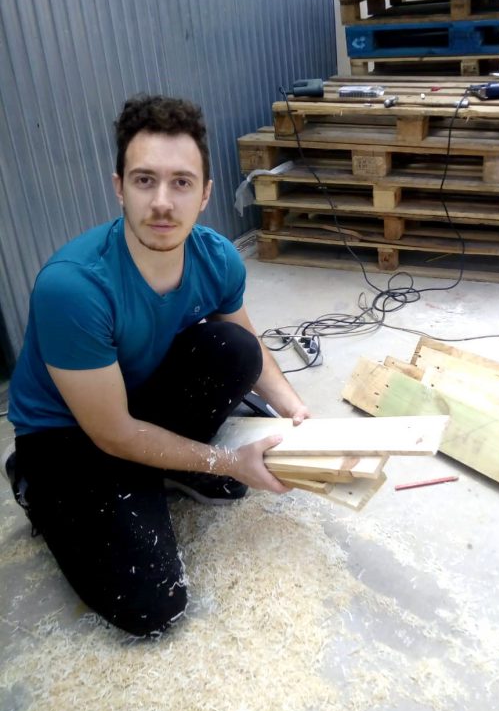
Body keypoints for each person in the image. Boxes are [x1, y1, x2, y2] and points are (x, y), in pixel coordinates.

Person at [4, 94, 310, 637]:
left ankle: (167, 469)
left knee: (235, 349)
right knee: (152, 604)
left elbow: (247, 341)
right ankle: (40, 487)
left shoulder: (216, 257)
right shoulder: (73, 287)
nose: (163, 203)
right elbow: (113, 432)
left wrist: (294, 409)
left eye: (181, 182)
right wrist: (226, 462)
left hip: (132, 399)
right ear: (119, 187)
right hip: (67, 434)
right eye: (145, 181)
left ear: (205, 193)